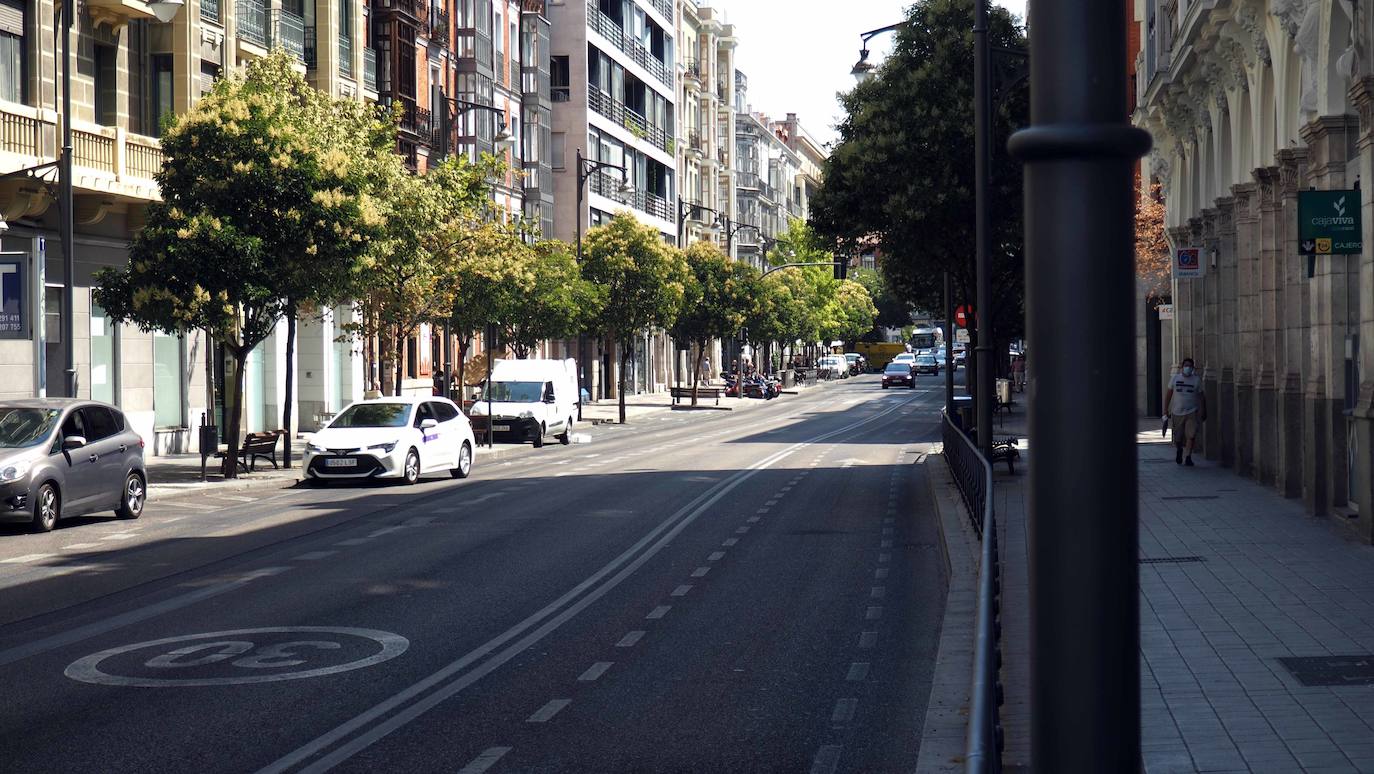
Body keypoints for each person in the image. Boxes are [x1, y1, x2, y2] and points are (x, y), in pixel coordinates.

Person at [1164, 357, 1206, 466]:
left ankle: (1188, 457)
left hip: (1192, 411)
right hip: (1177, 412)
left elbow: (1201, 396)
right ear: (1182, 367)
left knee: (1191, 435)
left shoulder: (1196, 380)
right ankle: (1179, 450)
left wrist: (1203, 410)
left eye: (1190, 366)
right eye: (1186, 366)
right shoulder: (1175, 378)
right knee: (1178, 438)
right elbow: (1168, 395)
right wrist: (1165, 410)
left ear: (1193, 368)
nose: (1188, 368)